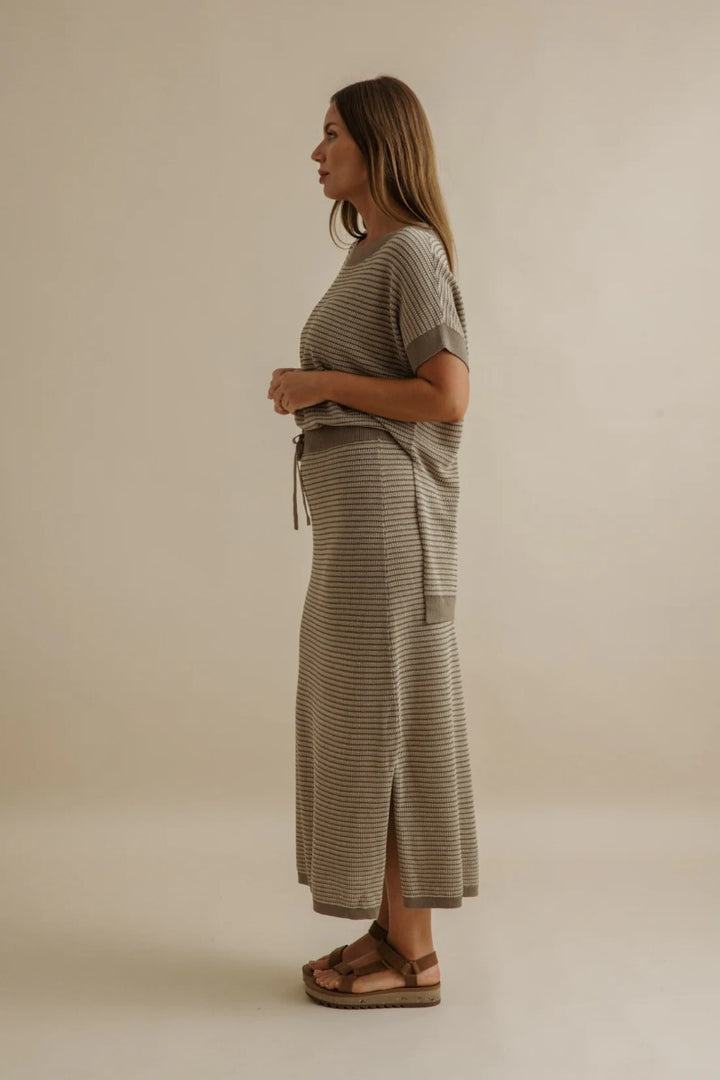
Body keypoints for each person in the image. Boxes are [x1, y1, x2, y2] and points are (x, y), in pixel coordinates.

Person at [267, 75, 479, 1009]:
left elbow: (448, 395)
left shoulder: (412, 255)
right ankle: (389, 928)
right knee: (362, 715)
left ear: (378, 145)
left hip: (391, 529)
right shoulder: (374, 255)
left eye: (331, 136)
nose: (317, 153)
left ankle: (415, 954)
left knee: (389, 714)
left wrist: (321, 384)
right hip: (362, 534)